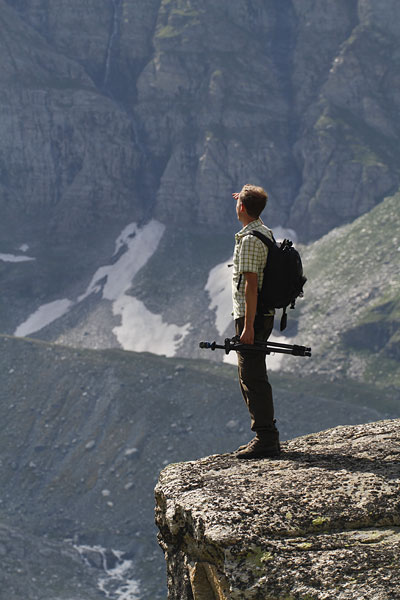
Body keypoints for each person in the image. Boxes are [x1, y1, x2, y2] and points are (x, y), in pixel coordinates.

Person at [231, 184, 280, 459]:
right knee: (251, 374)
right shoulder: (263, 231)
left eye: (239, 200)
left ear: (241, 208)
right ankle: (265, 435)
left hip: (252, 316)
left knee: (252, 376)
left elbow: (251, 285)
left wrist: (248, 327)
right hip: (261, 314)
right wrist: (247, 198)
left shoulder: (250, 240)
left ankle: (266, 438)